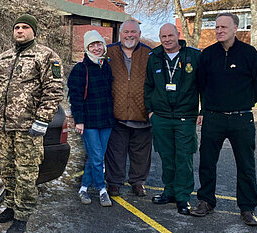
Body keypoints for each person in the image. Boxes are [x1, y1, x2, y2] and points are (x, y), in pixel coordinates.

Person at [0, 14, 63, 233]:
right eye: (16, 27)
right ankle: (11, 207)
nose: (20, 31)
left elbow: (53, 91)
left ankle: (22, 217)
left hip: (28, 129)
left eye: (24, 27)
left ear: (33, 31)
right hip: (4, 127)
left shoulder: (46, 56)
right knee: (9, 171)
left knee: (26, 175)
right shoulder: (4, 57)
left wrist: (42, 120)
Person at [191, 13, 257, 225]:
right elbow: (201, 85)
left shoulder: (249, 53)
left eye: (224, 27)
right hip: (213, 118)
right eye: (216, 27)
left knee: (246, 165)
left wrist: (244, 103)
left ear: (235, 28)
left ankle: (247, 208)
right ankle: (206, 201)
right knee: (206, 162)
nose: (219, 30)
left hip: (241, 118)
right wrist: (204, 110)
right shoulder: (208, 55)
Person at [144, 23, 201, 215]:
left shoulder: (194, 56)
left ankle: (183, 197)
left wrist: (202, 111)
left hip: (185, 116)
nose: (167, 40)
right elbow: (148, 86)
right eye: (163, 37)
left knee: (184, 157)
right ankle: (169, 191)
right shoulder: (154, 58)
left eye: (170, 35)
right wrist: (151, 111)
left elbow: (204, 85)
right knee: (167, 157)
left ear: (178, 35)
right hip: (161, 117)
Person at [105, 20, 152, 197]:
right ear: (120, 34)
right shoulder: (108, 52)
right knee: (116, 153)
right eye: (126, 32)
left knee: (141, 154)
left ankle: (138, 182)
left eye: (133, 32)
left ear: (139, 34)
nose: (129, 35)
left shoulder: (150, 54)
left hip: (142, 114)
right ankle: (114, 183)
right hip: (116, 114)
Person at [67, 30, 114, 207]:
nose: (96, 48)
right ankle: (102, 190)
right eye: (92, 45)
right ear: (87, 48)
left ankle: (84, 187)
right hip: (89, 121)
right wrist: (79, 120)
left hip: (106, 120)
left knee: (96, 156)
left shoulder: (106, 66)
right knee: (96, 157)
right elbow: (76, 96)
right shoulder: (80, 69)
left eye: (99, 44)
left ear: (103, 46)